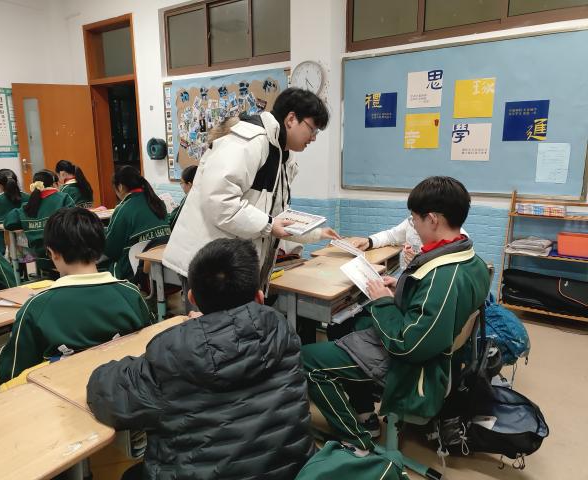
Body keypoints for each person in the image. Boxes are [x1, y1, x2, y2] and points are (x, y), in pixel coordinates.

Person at [86, 238, 315, 480]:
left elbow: (104, 394)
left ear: (192, 298)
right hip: (292, 471)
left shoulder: (174, 353)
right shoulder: (285, 334)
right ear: (259, 297)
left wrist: (197, 333)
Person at [302, 176, 490, 452]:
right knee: (346, 324)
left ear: (433, 220)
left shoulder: (444, 276)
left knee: (307, 359)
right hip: (438, 350)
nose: (413, 226)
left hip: (415, 367)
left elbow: (408, 345)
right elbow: (430, 307)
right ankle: (364, 409)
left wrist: (382, 301)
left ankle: (357, 439)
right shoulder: (471, 260)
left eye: (414, 220)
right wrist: (402, 289)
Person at [163, 88, 340, 292]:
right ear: (291, 119)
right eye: (312, 129)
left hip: (231, 265)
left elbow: (276, 218)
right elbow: (219, 201)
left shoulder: (282, 154)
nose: (314, 138)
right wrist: (269, 225)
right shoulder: (249, 142)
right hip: (209, 267)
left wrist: (316, 233)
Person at [0, 207, 153, 383]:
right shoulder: (131, 294)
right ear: (100, 247)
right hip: (125, 387)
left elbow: (12, 372)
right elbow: (149, 345)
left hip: (60, 393)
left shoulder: (36, 308)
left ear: (52, 253)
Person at [103, 166, 171, 281]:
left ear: (120, 187)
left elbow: (111, 250)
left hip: (132, 268)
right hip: (161, 265)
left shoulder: (123, 209)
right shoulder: (157, 202)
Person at [3, 169, 75, 275]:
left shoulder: (27, 206)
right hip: (64, 258)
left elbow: (8, 223)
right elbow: (75, 220)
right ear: (54, 184)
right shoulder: (63, 198)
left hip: (40, 260)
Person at [349, 218, 468, 270]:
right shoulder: (411, 222)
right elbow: (391, 235)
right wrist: (369, 242)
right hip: (410, 281)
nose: (413, 223)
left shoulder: (458, 242)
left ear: (432, 219)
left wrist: (419, 262)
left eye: (415, 217)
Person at [168, 164, 197, 231]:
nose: (181, 186)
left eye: (181, 182)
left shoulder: (188, 199)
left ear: (189, 185)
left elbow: (172, 222)